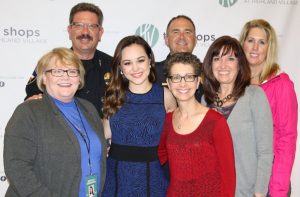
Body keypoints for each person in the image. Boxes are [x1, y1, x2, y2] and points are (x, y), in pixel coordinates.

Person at [4, 48, 106, 196]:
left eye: (72, 71)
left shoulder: (89, 109)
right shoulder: (28, 112)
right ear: (44, 78)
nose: (66, 77)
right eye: (57, 71)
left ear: (79, 78)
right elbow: (17, 167)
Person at [101, 35, 177, 196]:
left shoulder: (166, 96)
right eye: (127, 63)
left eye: (140, 60)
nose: (135, 68)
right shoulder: (113, 95)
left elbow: (175, 138)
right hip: (116, 179)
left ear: (150, 60)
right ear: (120, 67)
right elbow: (103, 133)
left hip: (154, 179)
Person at [202, 36, 274, 197]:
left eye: (230, 58)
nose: (223, 65)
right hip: (213, 189)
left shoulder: (255, 96)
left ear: (239, 64)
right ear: (210, 64)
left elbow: (265, 152)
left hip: (245, 191)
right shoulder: (205, 101)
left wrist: (260, 192)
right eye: (217, 58)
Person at [158, 52, 236, 196]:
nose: (183, 83)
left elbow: (228, 177)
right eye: (176, 78)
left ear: (198, 81)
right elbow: (157, 156)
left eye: (189, 77)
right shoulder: (167, 121)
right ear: (168, 83)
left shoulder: (216, 122)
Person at [240, 19, 298, 197]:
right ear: (242, 43)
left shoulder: (281, 85)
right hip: (241, 179)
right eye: (251, 40)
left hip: (270, 181)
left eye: (262, 42)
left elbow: (286, 139)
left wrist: (277, 191)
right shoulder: (232, 83)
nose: (255, 47)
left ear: (269, 48)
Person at [25, 2, 112, 118]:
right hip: (57, 133)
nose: (85, 32)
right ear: (69, 30)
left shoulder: (113, 66)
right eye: (79, 25)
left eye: (92, 26)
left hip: (101, 134)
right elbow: (32, 97)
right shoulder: (51, 63)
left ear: (100, 33)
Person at [156, 15, 203, 101]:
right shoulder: (153, 73)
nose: (182, 37)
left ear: (195, 40)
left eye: (187, 32)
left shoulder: (207, 72)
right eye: (176, 32)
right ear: (166, 40)